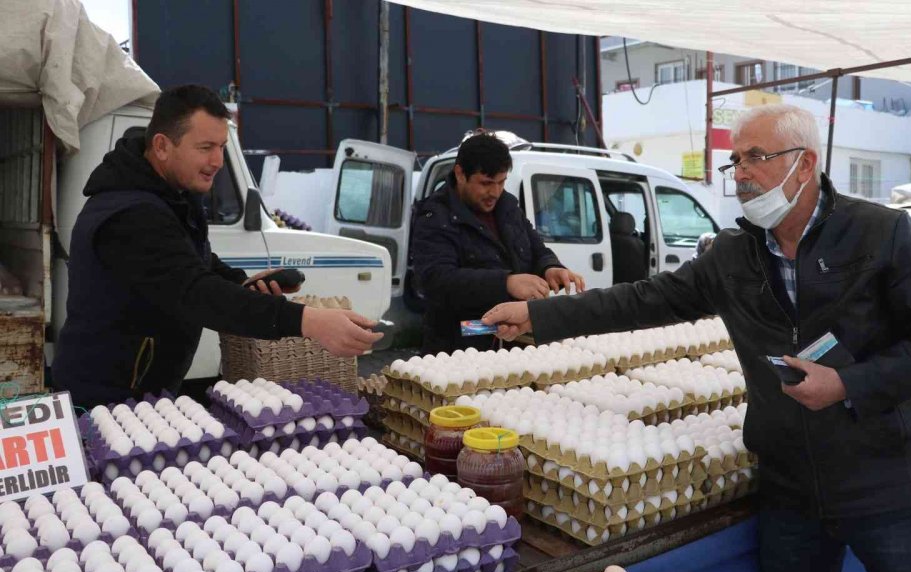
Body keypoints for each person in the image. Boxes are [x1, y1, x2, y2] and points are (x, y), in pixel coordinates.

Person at [484, 104, 911, 572]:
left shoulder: (879, 233)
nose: (739, 173)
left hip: (887, 478)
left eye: (755, 157)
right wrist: (539, 314)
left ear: (805, 164)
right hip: (791, 488)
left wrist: (848, 384)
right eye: (735, 160)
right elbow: (644, 299)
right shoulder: (733, 253)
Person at [53, 85, 382, 408]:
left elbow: (196, 261)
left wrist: (241, 282)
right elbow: (194, 293)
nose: (217, 161)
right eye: (205, 147)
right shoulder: (131, 214)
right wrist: (309, 322)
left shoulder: (171, 196)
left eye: (222, 147)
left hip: (141, 391)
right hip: (105, 399)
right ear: (162, 146)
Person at [410, 131, 584, 354]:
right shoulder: (435, 217)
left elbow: (535, 248)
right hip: (459, 344)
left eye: (501, 182)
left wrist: (550, 267)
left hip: (512, 341)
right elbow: (437, 281)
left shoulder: (507, 207)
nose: (495, 192)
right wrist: (506, 283)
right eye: (486, 183)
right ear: (460, 174)